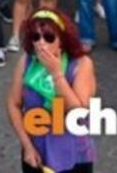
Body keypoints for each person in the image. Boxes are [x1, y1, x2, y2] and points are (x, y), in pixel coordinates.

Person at [6, 9, 96, 173]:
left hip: (72, 153)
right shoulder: (26, 62)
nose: (41, 42)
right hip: (36, 150)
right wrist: (27, 146)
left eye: (48, 37)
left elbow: (79, 115)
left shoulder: (81, 65)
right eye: (35, 36)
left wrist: (57, 75)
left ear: (62, 39)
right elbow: (13, 103)